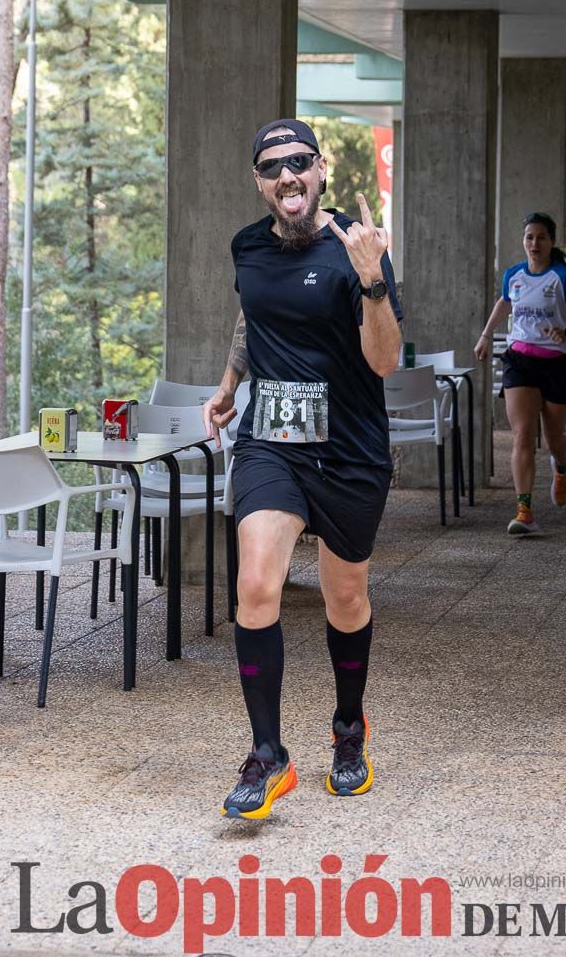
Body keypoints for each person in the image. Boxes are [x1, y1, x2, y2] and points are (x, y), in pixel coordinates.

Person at [203, 118, 402, 820]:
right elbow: (252, 319)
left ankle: (350, 730)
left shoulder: (355, 247)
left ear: (320, 171)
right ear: (260, 182)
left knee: (344, 599)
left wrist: (373, 281)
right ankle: (268, 755)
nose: (287, 175)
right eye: (272, 166)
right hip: (273, 445)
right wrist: (230, 385)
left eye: (299, 162)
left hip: (349, 449)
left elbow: (384, 363)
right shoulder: (247, 246)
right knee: (257, 583)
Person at [475, 212, 566, 536]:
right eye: (529, 237)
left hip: (558, 364)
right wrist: (486, 335)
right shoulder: (514, 275)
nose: (534, 243)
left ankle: (561, 467)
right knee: (523, 432)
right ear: (523, 240)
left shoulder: (562, 277)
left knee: (554, 438)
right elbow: (504, 303)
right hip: (520, 361)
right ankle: (524, 511)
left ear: (552, 242)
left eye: (541, 237)